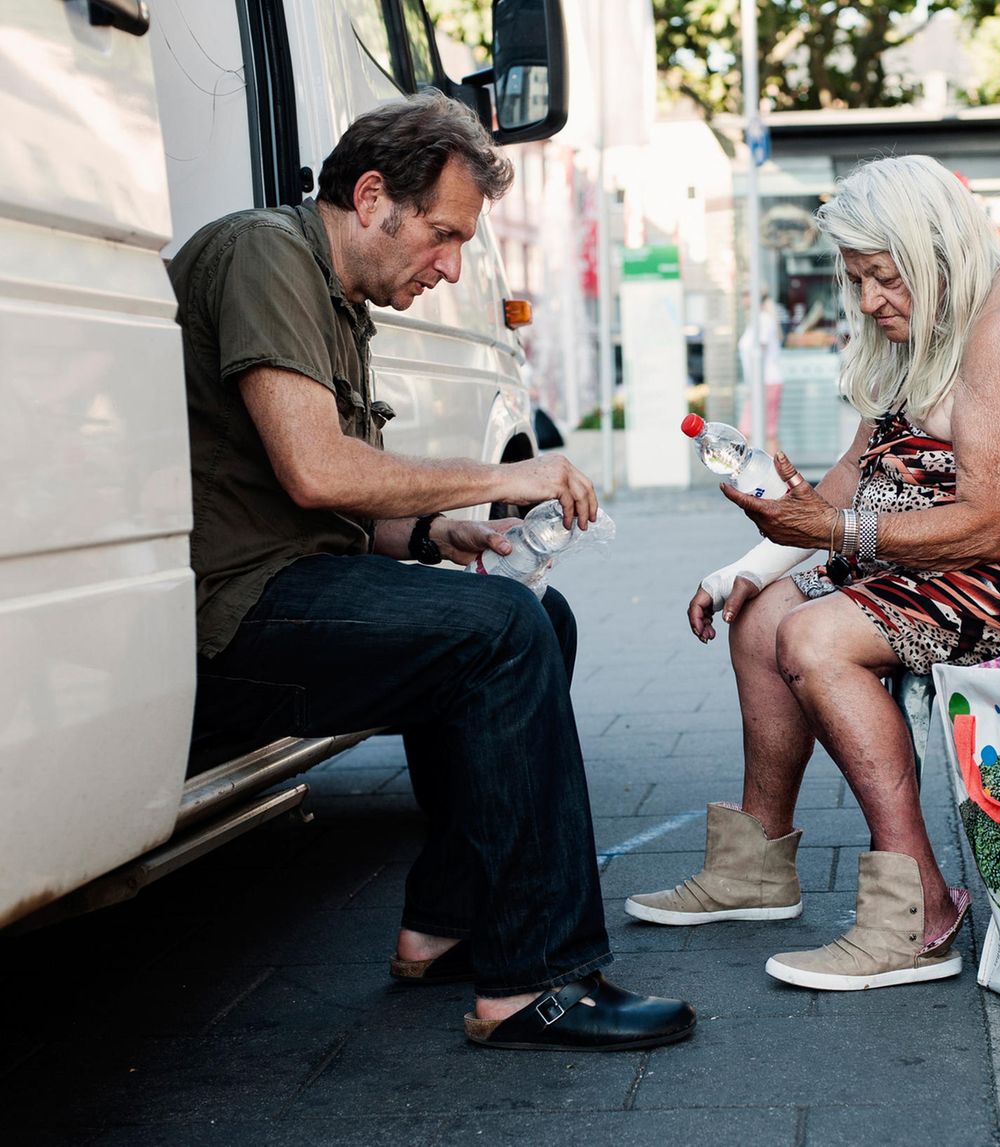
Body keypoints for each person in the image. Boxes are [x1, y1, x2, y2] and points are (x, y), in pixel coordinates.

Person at [171, 93, 695, 1052]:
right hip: (234, 615)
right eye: (444, 235)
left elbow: (323, 502)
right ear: (373, 198)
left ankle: (445, 923)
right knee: (501, 634)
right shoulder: (263, 253)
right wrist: (507, 473)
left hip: (293, 588)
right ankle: (539, 977)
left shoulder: (335, 299)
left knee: (536, 616)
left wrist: (436, 535)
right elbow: (316, 468)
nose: (453, 266)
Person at [626, 155, 1000, 991]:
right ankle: (755, 866)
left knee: (816, 639)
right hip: (977, 559)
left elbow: (993, 520)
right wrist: (746, 564)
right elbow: (846, 483)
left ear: (938, 251)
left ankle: (921, 911)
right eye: (859, 279)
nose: (871, 300)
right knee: (761, 614)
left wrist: (831, 531)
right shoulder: (928, 325)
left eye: (885, 276)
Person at [738, 292, 785, 455]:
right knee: (756, 430)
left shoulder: (763, 320)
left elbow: (760, 352)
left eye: (744, 293)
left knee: (761, 431)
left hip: (765, 383)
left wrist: (753, 386)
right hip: (761, 384)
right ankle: (772, 474)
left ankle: (777, 476)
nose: (741, 298)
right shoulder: (757, 321)